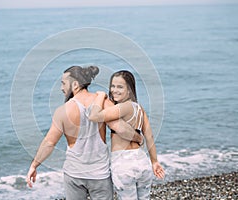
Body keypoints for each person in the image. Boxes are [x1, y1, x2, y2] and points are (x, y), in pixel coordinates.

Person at [26, 66, 143, 200]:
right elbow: (121, 128)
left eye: (63, 83)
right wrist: (138, 138)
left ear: (75, 84)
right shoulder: (103, 102)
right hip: (100, 174)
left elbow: (49, 142)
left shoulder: (62, 111)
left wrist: (34, 165)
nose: (61, 88)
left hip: (74, 174)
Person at [89, 70, 165, 200]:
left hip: (123, 165)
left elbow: (94, 116)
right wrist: (154, 161)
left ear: (129, 90)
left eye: (120, 87)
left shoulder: (124, 107)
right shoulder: (139, 109)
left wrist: (100, 96)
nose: (114, 90)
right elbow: (149, 137)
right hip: (142, 162)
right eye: (112, 86)